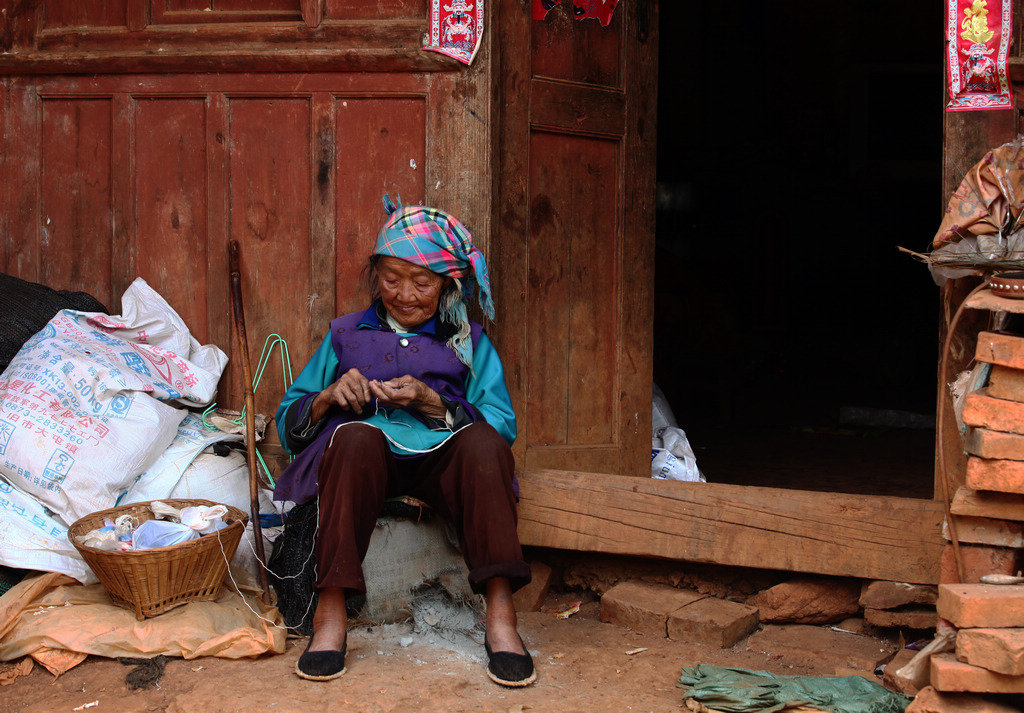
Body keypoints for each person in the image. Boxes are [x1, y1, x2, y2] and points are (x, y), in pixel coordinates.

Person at [272, 195, 534, 687]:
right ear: (376, 276)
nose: (405, 295)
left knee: (481, 445)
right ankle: (330, 613)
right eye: (392, 279)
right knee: (351, 439)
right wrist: (327, 397)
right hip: (367, 461)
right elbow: (289, 422)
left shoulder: (467, 339)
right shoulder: (346, 334)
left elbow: (501, 425)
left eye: (422, 282)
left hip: (445, 461)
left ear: (447, 283)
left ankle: (500, 611)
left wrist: (435, 403)